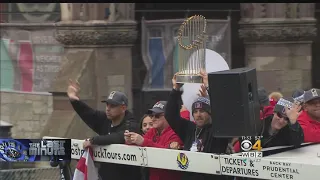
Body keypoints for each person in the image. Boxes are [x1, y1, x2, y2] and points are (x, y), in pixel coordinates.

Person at [67, 79, 141, 180]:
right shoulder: (105, 119)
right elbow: (89, 114)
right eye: (107, 104)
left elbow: (119, 136)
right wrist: (74, 100)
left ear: (123, 108)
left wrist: (94, 140)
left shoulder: (131, 123)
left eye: (113, 106)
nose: (108, 108)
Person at [165, 72, 229, 180]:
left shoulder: (218, 131)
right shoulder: (189, 129)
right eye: (195, 111)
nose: (198, 115)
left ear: (210, 113)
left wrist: (209, 87)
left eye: (202, 111)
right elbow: (170, 115)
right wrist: (176, 89)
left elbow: (222, 113)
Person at [125, 101, 183, 180]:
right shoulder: (153, 131)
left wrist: (143, 142)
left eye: (157, 116)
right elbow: (140, 145)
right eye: (152, 115)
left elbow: (167, 156)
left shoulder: (176, 132)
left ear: (168, 116)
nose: (153, 118)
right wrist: (130, 141)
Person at [233, 97, 304, 152]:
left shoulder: (290, 131)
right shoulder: (256, 127)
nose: (281, 121)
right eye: (279, 115)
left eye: (287, 119)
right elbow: (245, 150)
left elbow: (297, 142)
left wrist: (293, 122)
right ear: (274, 112)